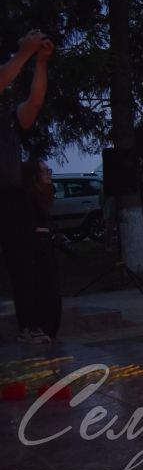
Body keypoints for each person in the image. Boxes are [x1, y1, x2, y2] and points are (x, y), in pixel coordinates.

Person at [1, 30, 53, 344]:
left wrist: (41, 62)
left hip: (10, 193)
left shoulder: (6, 118)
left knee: (23, 262)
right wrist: (23, 52)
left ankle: (29, 325)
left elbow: (33, 105)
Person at [22, 159, 59, 342]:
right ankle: (41, 328)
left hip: (45, 244)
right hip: (37, 247)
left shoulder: (44, 195)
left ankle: (49, 329)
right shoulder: (28, 196)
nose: (48, 174)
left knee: (52, 291)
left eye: (48, 170)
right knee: (43, 289)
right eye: (44, 171)